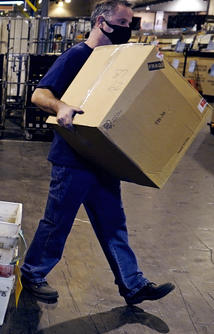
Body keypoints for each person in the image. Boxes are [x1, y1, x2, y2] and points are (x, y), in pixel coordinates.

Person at [20, 0, 174, 306]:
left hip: (105, 157)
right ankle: (33, 273)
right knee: (58, 221)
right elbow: (40, 94)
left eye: (130, 23)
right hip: (73, 158)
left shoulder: (118, 59)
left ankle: (133, 285)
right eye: (121, 22)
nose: (126, 29)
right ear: (101, 22)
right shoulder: (77, 56)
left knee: (113, 222)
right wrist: (61, 106)